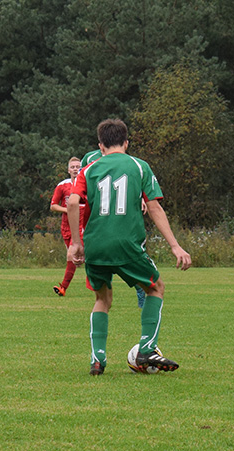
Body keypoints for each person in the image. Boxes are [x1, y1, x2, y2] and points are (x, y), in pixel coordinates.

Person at [67, 119, 192, 375]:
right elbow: (154, 207)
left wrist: (76, 244)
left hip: (95, 245)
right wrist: (175, 246)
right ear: (126, 142)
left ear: (100, 146)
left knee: (102, 299)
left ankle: (97, 359)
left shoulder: (89, 169)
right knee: (155, 287)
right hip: (127, 245)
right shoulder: (139, 166)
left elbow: (72, 203)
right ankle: (147, 347)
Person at [80, 147, 148, 309]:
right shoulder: (90, 159)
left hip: (122, 222)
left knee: (131, 260)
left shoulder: (128, 161)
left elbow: (132, 183)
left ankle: (139, 292)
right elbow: (83, 187)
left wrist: (142, 197)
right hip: (99, 222)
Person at [50, 157, 90, 296]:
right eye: (72, 167)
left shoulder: (86, 184)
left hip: (81, 226)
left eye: (78, 166)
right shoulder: (62, 186)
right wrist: (68, 210)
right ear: (68, 170)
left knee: (71, 255)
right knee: (77, 259)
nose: (75, 169)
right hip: (66, 227)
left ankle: (63, 288)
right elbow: (53, 206)